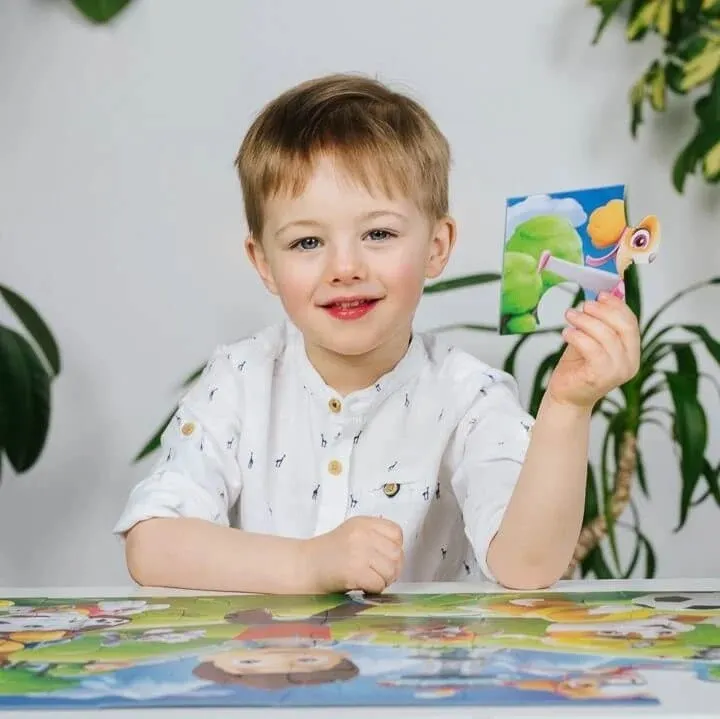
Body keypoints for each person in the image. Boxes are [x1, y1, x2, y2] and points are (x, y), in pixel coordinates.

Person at [114, 73, 640, 595]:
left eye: (379, 233)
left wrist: (567, 407)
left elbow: (526, 567)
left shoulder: (469, 397)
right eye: (306, 243)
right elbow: (151, 544)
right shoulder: (239, 379)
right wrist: (307, 565)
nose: (345, 267)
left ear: (436, 247)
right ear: (264, 263)